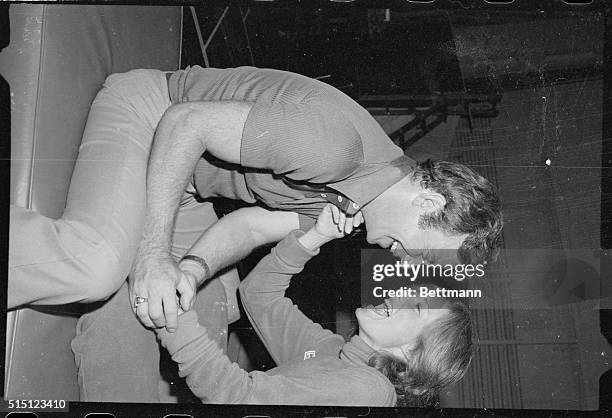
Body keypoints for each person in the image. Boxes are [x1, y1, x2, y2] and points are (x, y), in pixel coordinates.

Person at [8, 66, 501, 400]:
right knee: (95, 266)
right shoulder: (337, 151)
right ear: (429, 202)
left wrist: (191, 268)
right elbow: (184, 123)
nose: (407, 267)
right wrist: (155, 253)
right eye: (424, 252)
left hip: (185, 191)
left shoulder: (354, 207)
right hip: (151, 117)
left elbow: (245, 226)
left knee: (183, 310)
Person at [156, 204, 474, 406]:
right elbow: (257, 296)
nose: (398, 293)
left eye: (416, 308)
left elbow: (238, 397)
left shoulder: (371, 393)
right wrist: (316, 237)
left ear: (415, 354)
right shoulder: (332, 352)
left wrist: (171, 308)